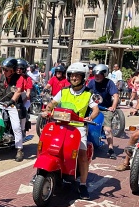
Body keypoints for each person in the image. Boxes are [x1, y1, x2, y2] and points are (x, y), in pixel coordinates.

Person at [41, 62, 99, 199]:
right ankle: (42, 171)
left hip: (78, 127)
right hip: (60, 124)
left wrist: (89, 117)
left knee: (83, 155)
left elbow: (95, 109)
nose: (74, 78)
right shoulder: (63, 91)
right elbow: (52, 103)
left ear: (83, 77)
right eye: (72, 75)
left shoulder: (88, 94)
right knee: (46, 144)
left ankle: (83, 184)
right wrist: (47, 110)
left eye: (77, 76)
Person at [87, 64, 119, 159]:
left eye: (99, 74)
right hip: (92, 107)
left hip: (105, 108)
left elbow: (116, 96)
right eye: (95, 74)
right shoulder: (92, 82)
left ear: (104, 74)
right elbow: (86, 94)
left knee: (107, 130)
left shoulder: (109, 83)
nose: (96, 76)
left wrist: (113, 106)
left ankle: (110, 149)